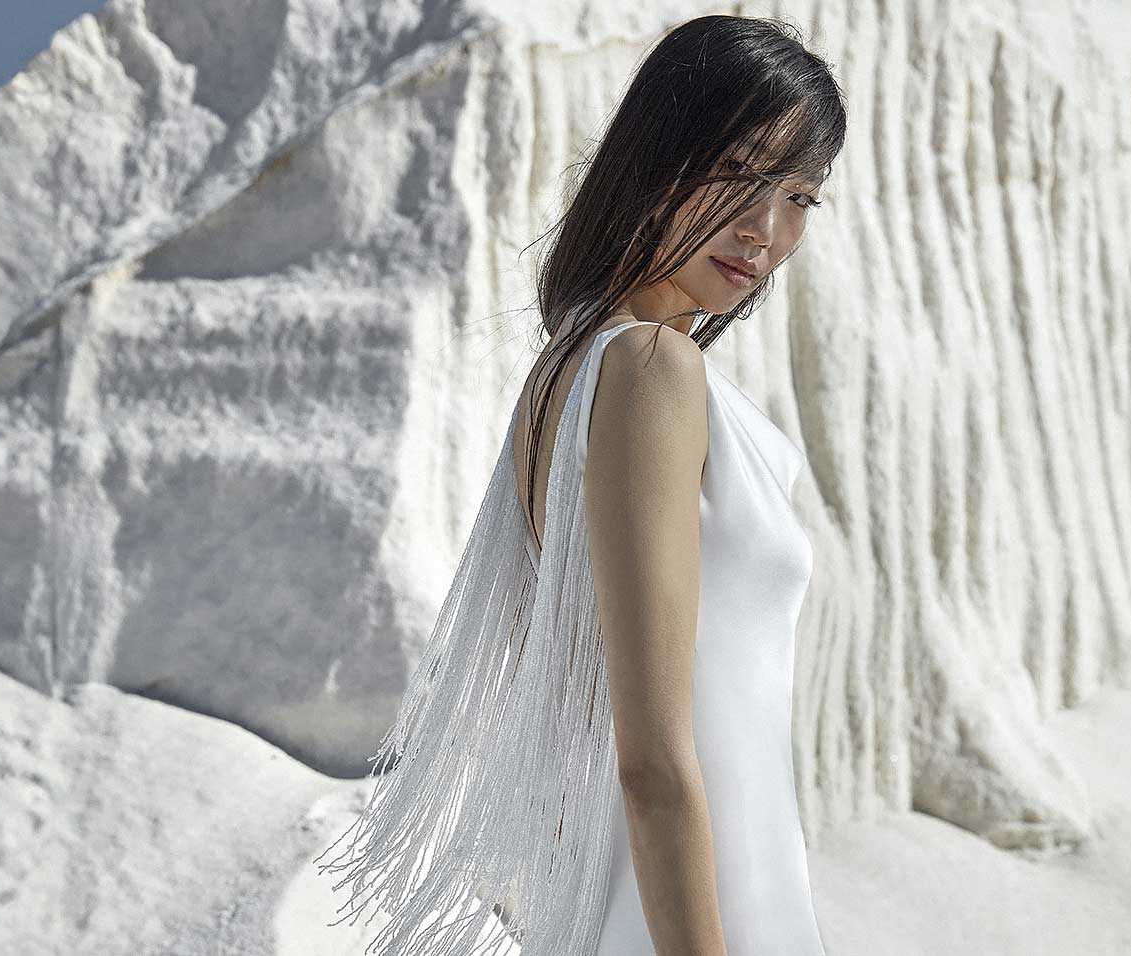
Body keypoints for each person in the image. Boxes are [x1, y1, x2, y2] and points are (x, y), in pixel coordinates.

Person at [316, 14, 847, 956]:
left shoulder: (573, 366)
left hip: (685, 900)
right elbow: (648, 761)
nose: (765, 230)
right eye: (737, 174)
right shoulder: (647, 369)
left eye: (801, 197)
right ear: (658, 156)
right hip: (698, 917)